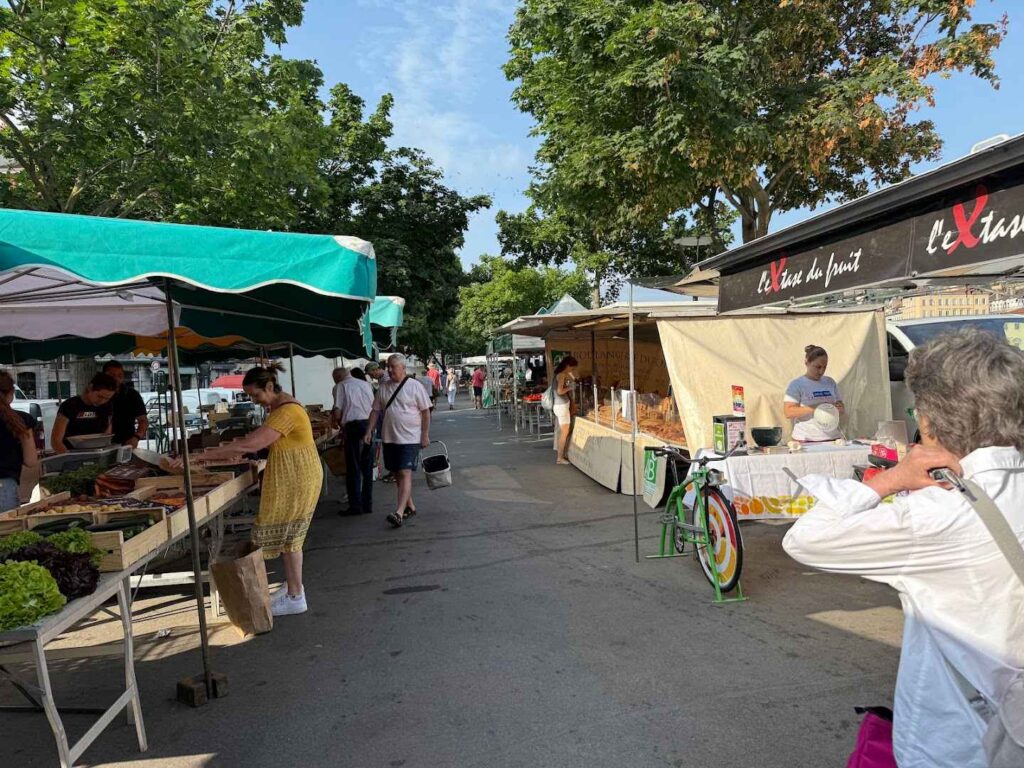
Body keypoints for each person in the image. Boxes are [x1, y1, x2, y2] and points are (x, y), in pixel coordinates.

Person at [783, 329, 1024, 768]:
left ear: (932, 423)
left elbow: (804, 539)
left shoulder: (939, 513)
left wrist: (890, 479)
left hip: (957, 740)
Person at [191, 364, 322, 617]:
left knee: (290, 536)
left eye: (256, 395)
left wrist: (203, 456)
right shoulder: (281, 406)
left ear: (270, 387)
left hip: (298, 478)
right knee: (289, 537)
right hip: (295, 475)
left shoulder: (287, 411)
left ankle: (296, 596)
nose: (255, 401)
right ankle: (294, 588)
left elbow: (252, 443)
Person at [364, 354, 431, 529]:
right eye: (388, 367)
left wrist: (424, 435)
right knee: (396, 473)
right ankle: (410, 506)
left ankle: (399, 512)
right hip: (389, 437)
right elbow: (375, 411)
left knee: (405, 472)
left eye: (393, 366)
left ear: (403, 368)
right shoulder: (383, 388)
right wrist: (369, 431)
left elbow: (425, 412)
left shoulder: (415, 386)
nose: (390, 370)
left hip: (410, 438)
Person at [334, 365, 375, 516]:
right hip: (368, 425)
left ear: (338, 377)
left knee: (353, 468)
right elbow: (373, 407)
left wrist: (339, 423)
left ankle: (355, 506)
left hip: (352, 427)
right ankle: (367, 504)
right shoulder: (365, 384)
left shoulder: (341, 386)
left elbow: (338, 411)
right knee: (367, 466)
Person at [783, 344, 845, 442]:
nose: (821, 371)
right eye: (818, 367)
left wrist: (839, 408)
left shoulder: (830, 382)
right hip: (806, 439)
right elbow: (788, 412)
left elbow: (841, 407)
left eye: (824, 367)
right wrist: (816, 407)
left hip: (832, 438)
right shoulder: (797, 384)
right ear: (807, 362)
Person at [51, 372, 117, 453]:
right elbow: (56, 441)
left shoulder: (107, 406)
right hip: (71, 453)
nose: (102, 401)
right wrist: (69, 457)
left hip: (97, 454)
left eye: (107, 398)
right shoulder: (69, 406)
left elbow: (107, 435)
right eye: (100, 396)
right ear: (90, 387)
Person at [0, 371, 37, 511]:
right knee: (7, 531)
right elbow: (31, 461)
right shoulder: (22, 421)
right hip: (5, 487)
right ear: (12, 392)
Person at [102, 361, 149, 448]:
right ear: (104, 376)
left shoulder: (132, 395)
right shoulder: (98, 394)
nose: (116, 379)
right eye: (112, 375)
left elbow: (143, 420)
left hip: (126, 444)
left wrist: (136, 437)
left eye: (120, 376)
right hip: (100, 444)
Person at [552, 356, 578, 465]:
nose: (572, 371)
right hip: (562, 405)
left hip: (559, 405)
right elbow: (559, 391)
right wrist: (570, 387)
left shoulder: (558, 375)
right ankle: (560, 457)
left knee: (563, 432)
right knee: (564, 433)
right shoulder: (562, 375)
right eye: (572, 368)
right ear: (567, 366)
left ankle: (561, 455)